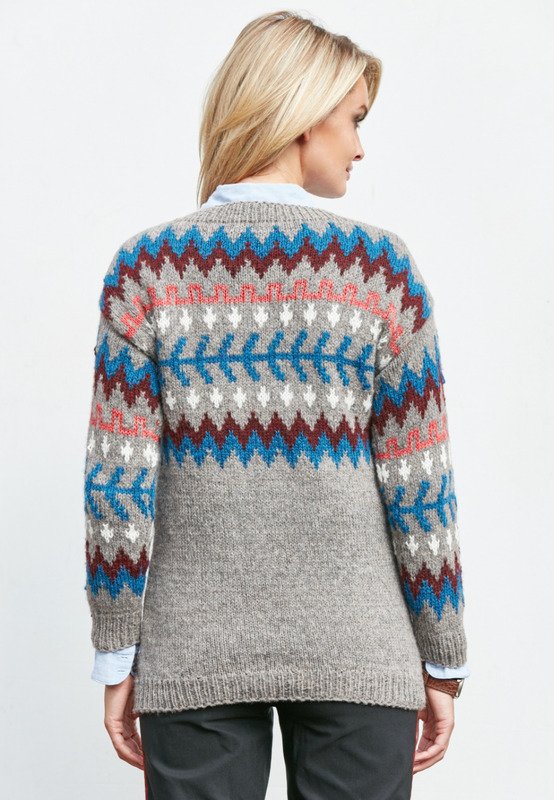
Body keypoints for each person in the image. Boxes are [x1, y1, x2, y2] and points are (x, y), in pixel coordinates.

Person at [83, 10, 470, 799]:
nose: (360, 146)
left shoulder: (146, 268)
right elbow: (419, 486)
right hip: (360, 651)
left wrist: (116, 654)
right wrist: (443, 656)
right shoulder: (380, 270)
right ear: (303, 115)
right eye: (354, 119)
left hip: (192, 650)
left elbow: (116, 488)